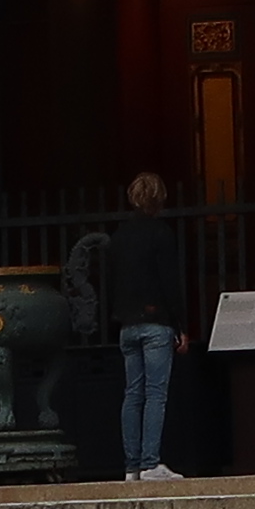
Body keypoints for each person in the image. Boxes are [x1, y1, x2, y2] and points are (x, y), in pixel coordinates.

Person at [101, 170, 190, 482]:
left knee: (132, 393)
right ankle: (151, 462)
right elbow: (169, 282)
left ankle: (132, 466)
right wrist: (180, 325)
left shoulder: (118, 237)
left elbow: (110, 282)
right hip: (155, 324)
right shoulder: (161, 234)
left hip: (127, 325)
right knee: (156, 393)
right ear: (160, 199)